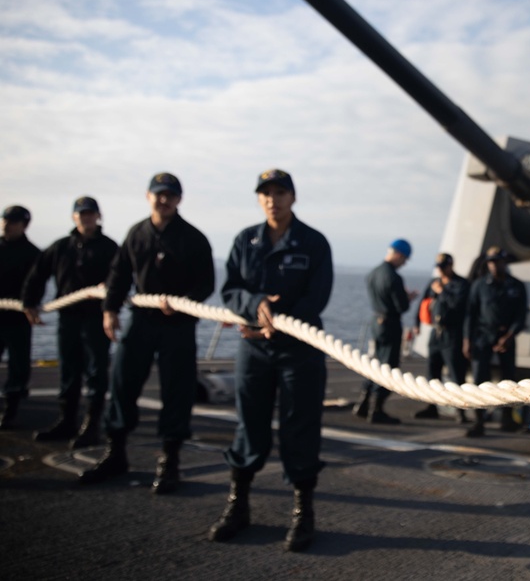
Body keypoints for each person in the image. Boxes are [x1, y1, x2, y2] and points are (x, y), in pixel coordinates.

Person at [208, 169, 333, 552]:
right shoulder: (245, 240)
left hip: (298, 349)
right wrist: (254, 305)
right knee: (249, 425)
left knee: (300, 427)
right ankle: (238, 505)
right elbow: (230, 289)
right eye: (265, 193)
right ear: (258, 199)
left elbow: (318, 296)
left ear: (293, 197)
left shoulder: (313, 242)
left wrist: (278, 324)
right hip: (254, 349)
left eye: (280, 192)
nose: (272, 199)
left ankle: (303, 514)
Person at [79, 173, 214, 495]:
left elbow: (206, 283)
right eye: (158, 194)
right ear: (148, 196)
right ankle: (116, 452)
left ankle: (170, 460)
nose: (163, 199)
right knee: (122, 383)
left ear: (179, 199)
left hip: (178, 326)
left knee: (177, 391)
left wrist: (184, 303)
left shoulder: (194, 239)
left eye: (170, 195)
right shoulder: (136, 234)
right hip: (141, 321)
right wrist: (110, 310)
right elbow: (119, 274)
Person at [22, 196, 118, 447]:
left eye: (90, 213)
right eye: (81, 213)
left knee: (96, 372)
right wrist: (29, 302)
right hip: (68, 317)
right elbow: (38, 274)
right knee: (69, 370)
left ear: (98, 216)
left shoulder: (110, 248)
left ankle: (92, 425)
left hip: (96, 318)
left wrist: (109, 293)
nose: (86, 217)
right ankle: (67, 420)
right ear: (74, 217)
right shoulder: (60, 247)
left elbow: (121, 276)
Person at [463, 246, 527, 437]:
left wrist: (510, 336)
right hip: (483, 336)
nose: (494, 265)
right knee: (480, 379)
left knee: (508, 380)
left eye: (497, 261)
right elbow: (470, 314)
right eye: (491, 262)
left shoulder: (516, 286)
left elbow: (521, 315)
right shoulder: (479, 285)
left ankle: (507, 419)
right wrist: (467, 340)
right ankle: (479, 421)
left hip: (506, 337)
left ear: (504, 262)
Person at [353, 238, 415, 424]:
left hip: (376, 321)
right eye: (404, 259)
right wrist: (408, 297)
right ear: (399, 254)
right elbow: (401, 306)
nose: (404, 263)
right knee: (388, 365)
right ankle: (376, 410)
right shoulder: (394, 277)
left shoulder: (373, 273)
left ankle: (363, 404)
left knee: (375, 363)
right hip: (390, 323)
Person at [412, 253, 470, 421]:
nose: (441, 271)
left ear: (451, 266)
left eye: (443, 267)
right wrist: (417, 323)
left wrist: (442, 291)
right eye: (438, 267)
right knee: (432, 372)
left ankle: (461, 411)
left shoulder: (461, 284)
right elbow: (424, 301)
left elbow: (456, 305)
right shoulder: (434, 283)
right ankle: (432, 407)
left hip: (452, 333)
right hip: (436, 333)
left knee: (456, 373)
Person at [0, 205, 40, 429]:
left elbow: (37, 283)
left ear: (24, 225)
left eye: (13, 221)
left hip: (18, 318)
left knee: (18, 365)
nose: (7, 224)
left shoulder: (33, 254)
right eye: (5, 219)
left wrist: (29, 302)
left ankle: (11, 408)